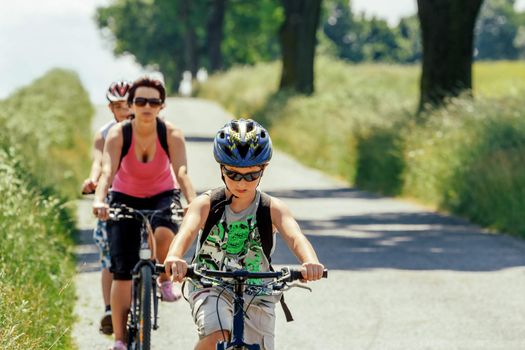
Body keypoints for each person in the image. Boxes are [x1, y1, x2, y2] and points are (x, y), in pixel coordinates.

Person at [164, 119, 325, 350]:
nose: (242, 182)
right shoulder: (207, 204)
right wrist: (174, 256)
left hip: (258, 290)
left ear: (264, 169)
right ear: (221, 169)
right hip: (211, 284)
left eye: (251, 175)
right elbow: (187, 230)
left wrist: (310, 262)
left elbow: (295, 236)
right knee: (217, 333)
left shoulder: (272, 208)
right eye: (233, 174)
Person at [92, 77, 197, 350]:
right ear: (131, 105)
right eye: (140, 101)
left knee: (164, 234)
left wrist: (193, 202)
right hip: (124, 196)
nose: (146, 106)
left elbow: (181, 172)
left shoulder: (170, 133)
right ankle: (118, 339)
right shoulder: (119, 134)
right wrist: (100, 199)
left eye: (153, 101)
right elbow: (107, 172)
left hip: (162, 194)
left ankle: (162, 279)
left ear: (162, 106)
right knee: (122, 270)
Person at [81, 80, 132, 335]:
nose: (125, 110)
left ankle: (150, 284)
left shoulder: (145, 129)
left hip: (140, 193)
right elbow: (99, 162)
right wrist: (92, 180)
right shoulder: (104, 133)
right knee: (109, 257)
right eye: (119, 106)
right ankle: (110, 309)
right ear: (111, 108)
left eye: (128, 104)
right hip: (112, 195)